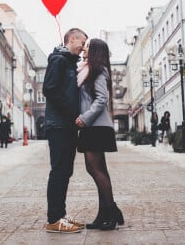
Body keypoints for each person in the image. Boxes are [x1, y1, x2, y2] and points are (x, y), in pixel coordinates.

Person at [75, 38, 124, 231]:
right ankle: (106, 212)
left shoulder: (98, 70)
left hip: (96, 126)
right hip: (92, 126)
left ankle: (111, 212)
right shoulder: (86, 69)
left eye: (87, 47)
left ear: (95, 51)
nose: (84, 49)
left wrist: (85, 118)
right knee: (95, 169)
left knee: (96, 170)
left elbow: (102, 98)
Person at [43, 28, 88, 233]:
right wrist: (72, 114)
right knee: (59, 171)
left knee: (65, 171)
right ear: (72, 39)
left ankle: (60, 215)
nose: (84, 47)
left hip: (66, 125)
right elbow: (49, 89)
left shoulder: (68, 62)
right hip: (59, 124)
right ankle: (54, 219)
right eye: (83, 42)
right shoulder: (59, 60)